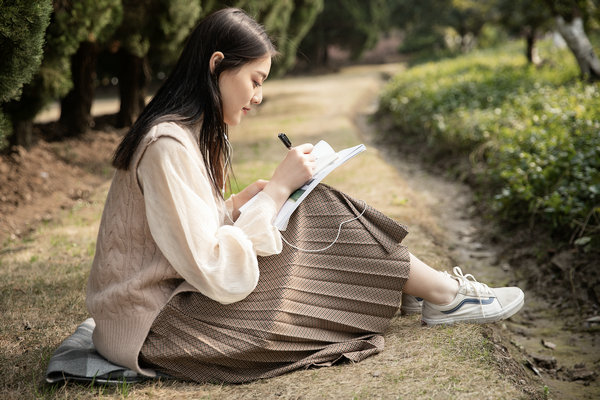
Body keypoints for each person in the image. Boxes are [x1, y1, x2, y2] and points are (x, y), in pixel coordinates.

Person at [86, 8, 524, 384]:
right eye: (255, 80)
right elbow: (216, 270)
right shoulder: (167, 143)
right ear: (217, 65)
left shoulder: (184, 135)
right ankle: (441, 295)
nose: (257, 97)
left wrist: (241, 203)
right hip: (160, 330)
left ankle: (427, 290)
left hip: (170, 310)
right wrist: (275, 191)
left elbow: (180, 231)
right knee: (310, 206)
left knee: (306, 201)